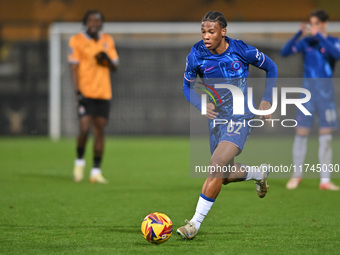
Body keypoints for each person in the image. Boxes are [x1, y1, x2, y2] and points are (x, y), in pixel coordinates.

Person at [176, 11, 278, 240]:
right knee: (221, 174)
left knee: (216, 165)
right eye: (203, 31)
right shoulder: (196, 55)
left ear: (223, 31)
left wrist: (266, 99)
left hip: (240, 116)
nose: (206, 36)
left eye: (211, 31)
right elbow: (186, 88)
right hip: (217, 121)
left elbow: (272, 67)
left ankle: (194, 224)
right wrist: (200, 105)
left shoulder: (241, 50)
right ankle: (258, 173)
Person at [281, 9, 340, 191]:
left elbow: (336, 55)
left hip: (326, 96)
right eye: (310, 23)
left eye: (315, 23)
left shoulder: (332, 41)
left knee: (326, 137)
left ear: (323, 24)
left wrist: (320, 37)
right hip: (307, 95)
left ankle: (325, 180)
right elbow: (284, 52)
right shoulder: (306, 42)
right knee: (301, 134)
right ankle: (296, 175)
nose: (312, 27)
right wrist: (299, 33)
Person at [68, 10, 119, 184]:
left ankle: (96, 171)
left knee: (100, 131)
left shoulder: (107, 40)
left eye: (97, 20)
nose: (94, 23)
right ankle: (79, 162)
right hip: (86, 92)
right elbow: (73, 68)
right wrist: (77, 91)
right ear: (85, 22)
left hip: (104, 93)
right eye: (90, 20)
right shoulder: (76, 40)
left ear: (101, 23)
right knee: (84, 128)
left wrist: (106, 60)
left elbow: (115, 66)